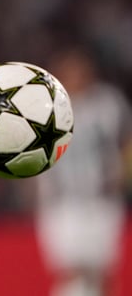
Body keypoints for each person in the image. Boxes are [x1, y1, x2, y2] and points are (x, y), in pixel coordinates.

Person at [35, 46, 131, 296]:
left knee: (102, 270)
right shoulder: (45, 108)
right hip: (62, 201)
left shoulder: (108, 103)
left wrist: (123, 174)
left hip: (102, 199)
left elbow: (126, 142)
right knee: (71, 269)